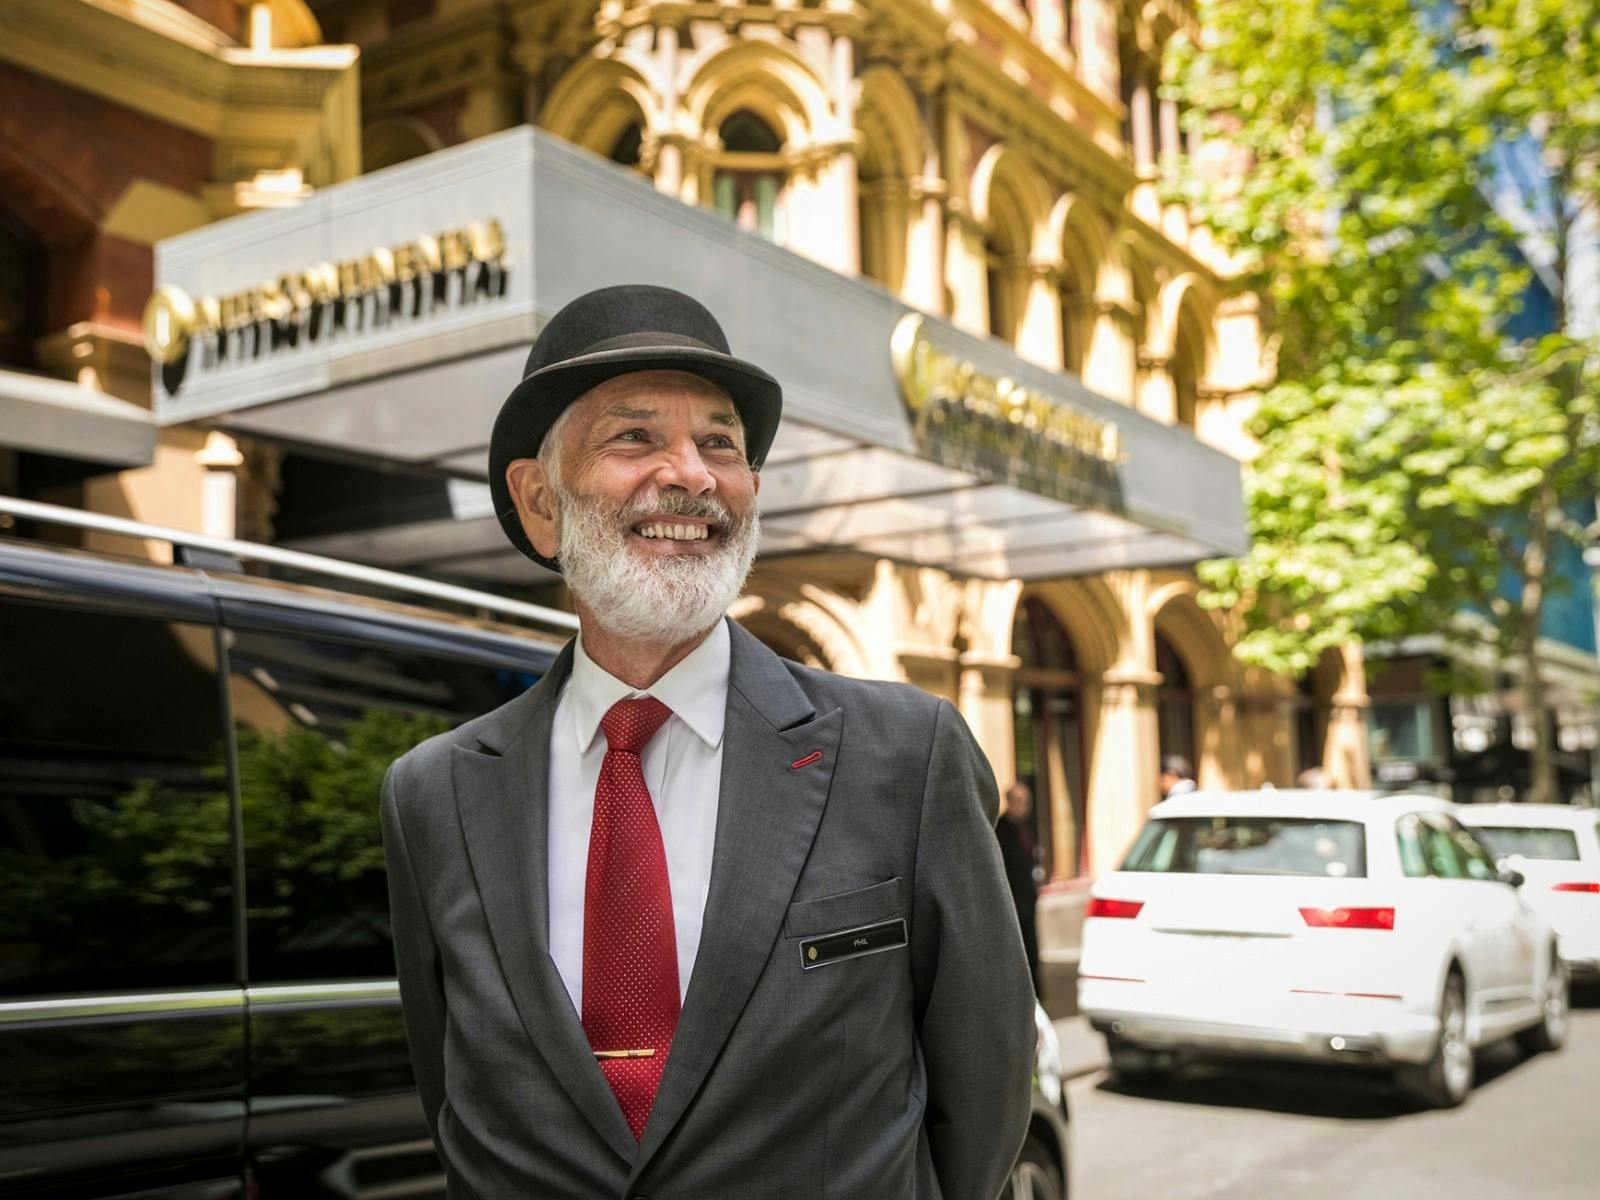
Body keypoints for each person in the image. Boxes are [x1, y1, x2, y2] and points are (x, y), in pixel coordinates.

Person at [380, 284, 1035, 1198]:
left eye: (721, 444)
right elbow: (451, 1094)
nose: (691, 474)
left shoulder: (905, 754)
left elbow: (986, 1088)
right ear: (539, 502)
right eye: (634, 436)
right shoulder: (433, 794)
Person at [995, 782, 1042, 994]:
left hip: (1028, 899)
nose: (1024, 806)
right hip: (1012, 901)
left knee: (1032, 952)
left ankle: (1036, 994)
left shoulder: (1028, 826)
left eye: (1027, 801)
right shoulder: (1001, 830)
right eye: (1019, 801)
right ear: (1010, 802)